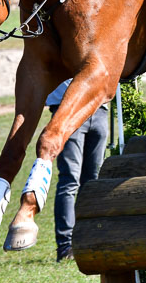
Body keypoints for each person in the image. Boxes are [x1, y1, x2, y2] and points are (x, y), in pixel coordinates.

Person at [46, 80, 108, 262]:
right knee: (70, 179)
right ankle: (66, 245)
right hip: (67, 111)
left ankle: (90, 239)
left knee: (93, 181)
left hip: (99, 109)